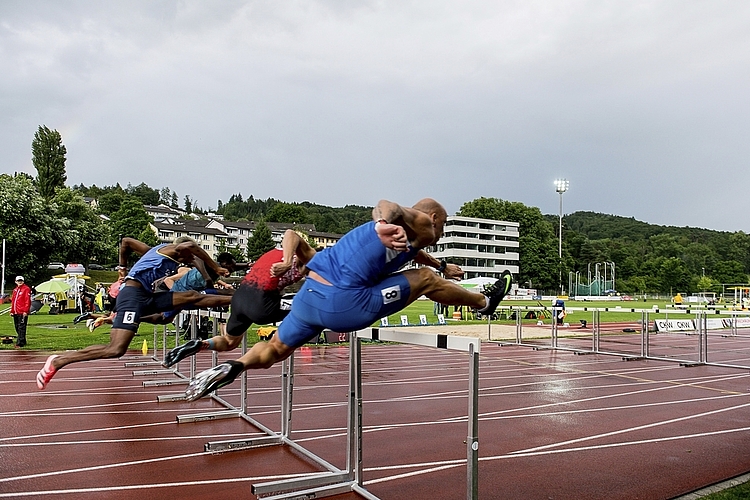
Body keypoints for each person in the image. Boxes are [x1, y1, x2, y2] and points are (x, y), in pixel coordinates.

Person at [185, 198, 513, 401]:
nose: (437, 237)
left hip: (308, 298)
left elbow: (416, 251)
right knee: (426, 281)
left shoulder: (370, 241)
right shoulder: (423, 224)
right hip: (344, 304)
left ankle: (234, 366)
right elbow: (390, 207)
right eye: (440, 229)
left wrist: (440, 264)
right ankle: (485, 303)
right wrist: (385, 221)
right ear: (434, 221)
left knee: (275, 349)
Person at [36, 237, 233, 390]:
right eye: (190, 258)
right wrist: (215, 267)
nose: (191, 261)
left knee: (189, 298)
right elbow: (189, 245)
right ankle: (59, 360)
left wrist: (122, 267)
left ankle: (239, 299)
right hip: (133, 295)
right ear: (182, 251)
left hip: (146, 296)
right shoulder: (172, 249)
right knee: (116, 349)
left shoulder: (154, 253)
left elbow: (126, 243)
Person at [163, 230, 315, 368]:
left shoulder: (275, 253)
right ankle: (247, 362)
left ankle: (200, 344)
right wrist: (287, 263)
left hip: (240, 298)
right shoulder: (311, 256)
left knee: (229, 342)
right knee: (311, 306)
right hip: (262, 304)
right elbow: (290, 233)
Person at [10, 276, 31, 348]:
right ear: (16, 282)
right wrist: (12, 310)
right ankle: (23, 340)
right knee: (17, 326)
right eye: (18, 281)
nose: (20, 282)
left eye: (21, 281)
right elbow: (13, 301)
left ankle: (20, 342)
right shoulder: (15, 290)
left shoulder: (26, 289)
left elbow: (27, 301)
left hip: (22, 311)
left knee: (21, 327)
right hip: (16, 311)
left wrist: (25, 311)